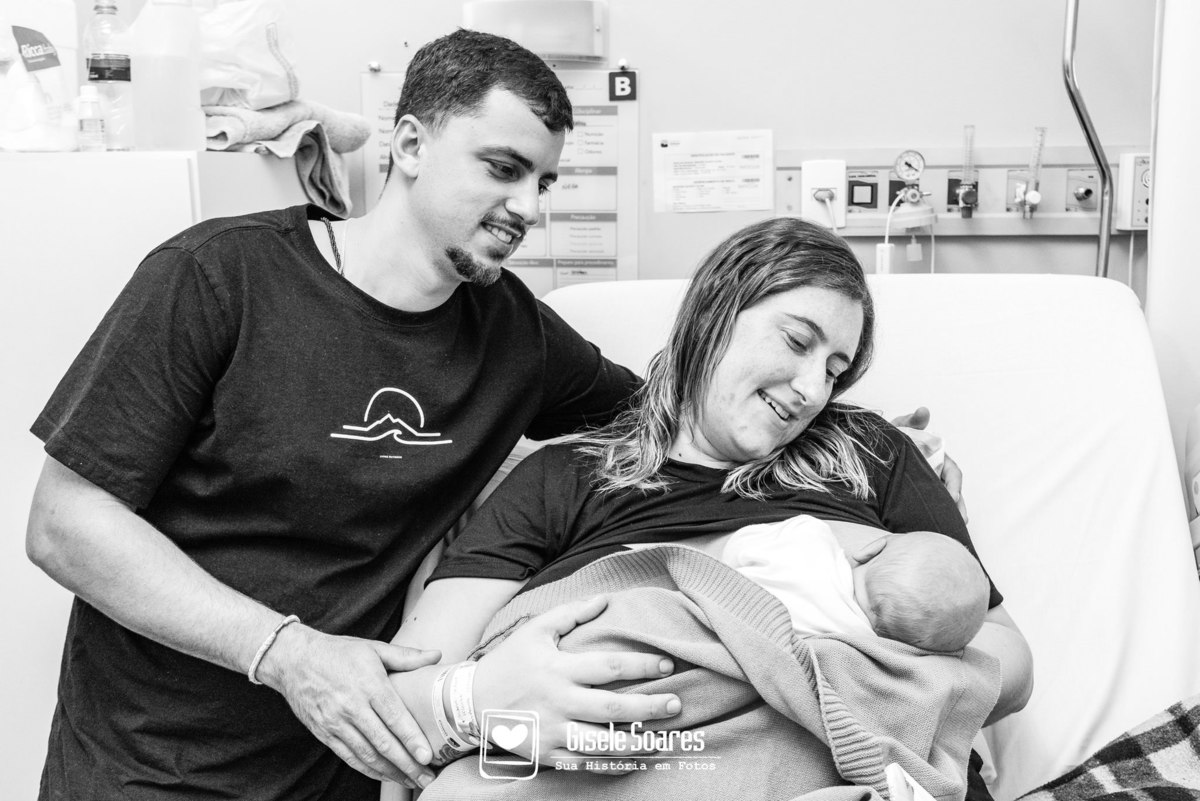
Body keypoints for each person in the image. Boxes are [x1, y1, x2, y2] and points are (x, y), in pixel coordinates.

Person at [24, 29, 684, 801]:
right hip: (150, 770)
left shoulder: (517, 335)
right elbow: (65, 523)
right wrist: (287, 653)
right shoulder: (219, 276)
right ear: (410, 144)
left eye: (545, 181)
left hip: (349, 769)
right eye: (504, 169)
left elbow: (667, 424)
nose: (529, 208)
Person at [385, 216, 1033, 796]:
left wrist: (831, 659)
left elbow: (1010, 662)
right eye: (797, 341)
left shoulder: (871, 453)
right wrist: (488, 704)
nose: (813, 389)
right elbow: (409, 690)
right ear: (714, 313)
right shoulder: (565, 477)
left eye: (835, 370)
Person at [717, 516, 990, 652]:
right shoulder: (861, 646)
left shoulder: (808, 535)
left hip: (718, 614)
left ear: (872, 548)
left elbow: (738, 546)